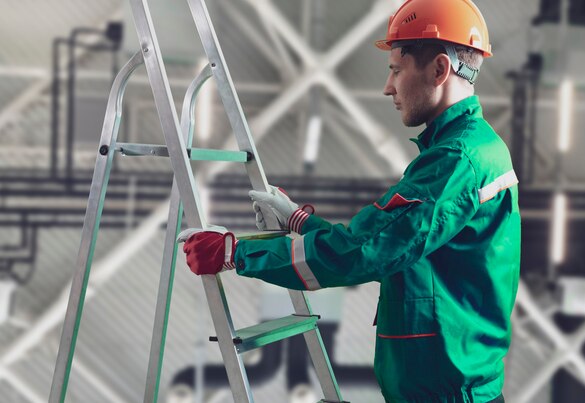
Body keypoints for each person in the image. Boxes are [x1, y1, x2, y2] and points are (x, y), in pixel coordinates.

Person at [180, 0, 520, 401]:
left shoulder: (455, 161)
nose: (388, 86)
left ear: (440, 70)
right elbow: (389, 243)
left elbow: (363, 253)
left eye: (396, 68)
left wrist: (234, 254)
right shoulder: (469, 151)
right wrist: (300, 223)